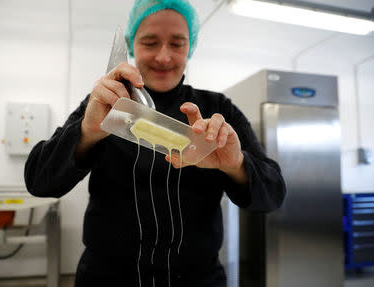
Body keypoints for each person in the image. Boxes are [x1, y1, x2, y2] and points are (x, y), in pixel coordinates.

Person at [24, 0, 286, 286]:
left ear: (191, 46)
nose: (163, 57)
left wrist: (236, 165)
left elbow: (272, 194)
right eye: (150, 42)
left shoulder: (218, 109)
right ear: (132, 45)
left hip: (198, 279)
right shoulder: (105, 105)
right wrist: (87, 131)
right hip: (107, 278)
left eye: (177, 44)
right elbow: (39, 181)